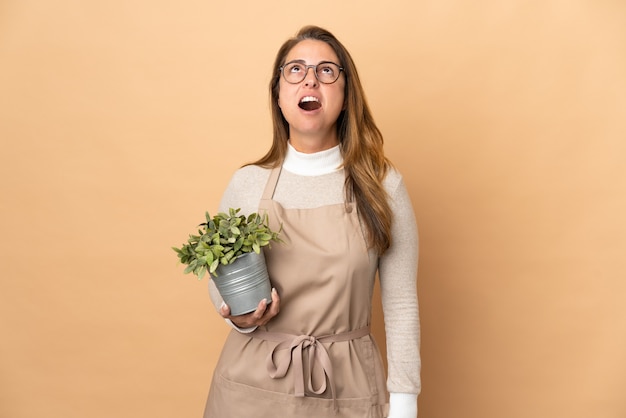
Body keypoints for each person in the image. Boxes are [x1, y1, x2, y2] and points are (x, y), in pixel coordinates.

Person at [204, 25, 420, 418]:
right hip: (250, 389)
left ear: (345, 93)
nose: (310, 80)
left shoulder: (383, 186)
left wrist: (404, 403)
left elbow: (401, 303)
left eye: (326, 71)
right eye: (296, 70)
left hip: (347, 386)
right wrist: (240, 317)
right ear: (279, 93)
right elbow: (219, 282)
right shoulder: (248, 183)